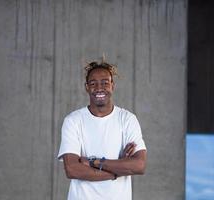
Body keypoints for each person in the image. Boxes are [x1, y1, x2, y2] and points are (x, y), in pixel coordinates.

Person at [57, 57, 147, 200]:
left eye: (105, 82)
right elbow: (72, 169)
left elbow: (139, 165)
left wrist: (94, 162)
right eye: (93, 83)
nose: (99, 88)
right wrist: (118, 171)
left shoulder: (127, 119)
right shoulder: (73, 121)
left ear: (113, 85)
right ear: (87, 87)